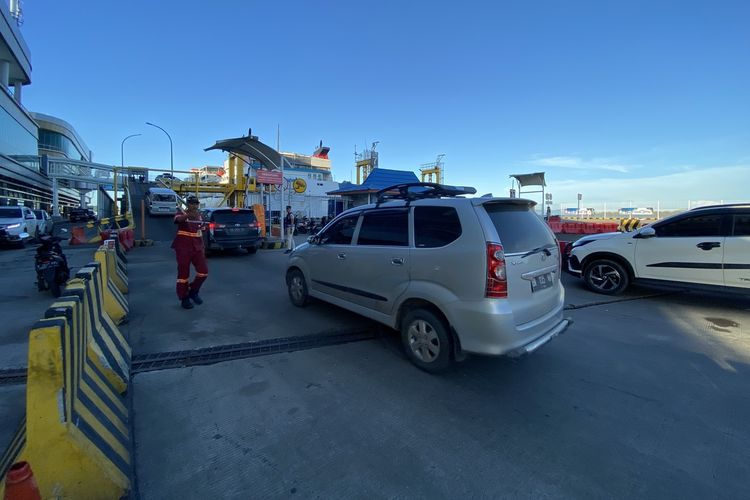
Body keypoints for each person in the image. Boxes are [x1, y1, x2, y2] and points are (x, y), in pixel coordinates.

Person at [172, 195, 208, 309]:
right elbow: (177, 220)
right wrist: (187, 216)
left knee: (204, 272)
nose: (194, 205)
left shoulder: (200, 216)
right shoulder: (181, 212)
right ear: (188, 204)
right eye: (192, 203)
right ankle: (184, 298)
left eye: (196, 203)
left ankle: (193, 291)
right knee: (183, 275)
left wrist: (206, 226)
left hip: (197, 248)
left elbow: (202, 230)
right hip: (183, 248)